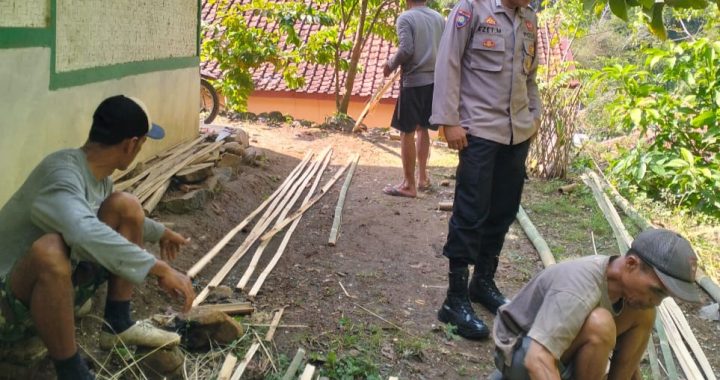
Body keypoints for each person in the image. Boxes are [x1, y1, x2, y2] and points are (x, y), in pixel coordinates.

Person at [0, 95, 197, 380]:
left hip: (39, 296)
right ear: (130, 144)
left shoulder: (100, 180)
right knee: (50, 249)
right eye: (141, 144)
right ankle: (72, 373)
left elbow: (103, 219)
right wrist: (160, 268)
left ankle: (118, 324)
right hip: (6, 306)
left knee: (125, 204)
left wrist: (162, 233)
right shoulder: (61, 174)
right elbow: (84, 232)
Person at [430, 0, 542, 339]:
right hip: (478, 130)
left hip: (516, 132)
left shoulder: (529, 17)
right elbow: (448, 63)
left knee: (504, 211)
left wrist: (533, 116)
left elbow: (531, 74)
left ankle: (482, 283)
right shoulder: (471, 9)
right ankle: (454, 299)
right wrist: (450, 121)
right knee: (471, 212)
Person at [491, 228, 702, 379]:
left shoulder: (629, 295)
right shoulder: (577, 287)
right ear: (630, 264)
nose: (656, 301)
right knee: (599, 323)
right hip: (521, 355)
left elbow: (631, 366)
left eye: (663, 296)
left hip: (561, 356)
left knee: (644, 314)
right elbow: (536, 359)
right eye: (655, 291)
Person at [382, 0, 444, 198]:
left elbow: (406, 49)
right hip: (434, 81)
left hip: (414, 81)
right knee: (422, 128)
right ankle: (423, 178)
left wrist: (390, 64)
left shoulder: (406, 18)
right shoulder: (438, 18)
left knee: (406, 131)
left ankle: (409, 184)